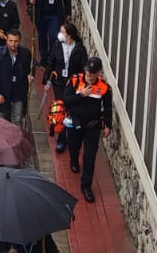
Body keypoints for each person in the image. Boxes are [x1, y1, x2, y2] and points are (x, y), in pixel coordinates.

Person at [62, 57, 114, 203]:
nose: (88, 75)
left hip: (93, 125)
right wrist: (81, 95)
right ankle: (73, 159)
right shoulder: (74, 81)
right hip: (75, 122)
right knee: (74, 145)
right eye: (87, 72)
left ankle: (86, 186)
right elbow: (66, 100)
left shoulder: (104, 88)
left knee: (90, 156)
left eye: (92, 73)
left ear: (98, 73)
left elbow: (108, 107)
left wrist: (108, 125)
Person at [42, 22, 88, 153]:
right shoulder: (57, 45)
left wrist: (78, 81)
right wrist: (46, 81)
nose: (60, 35)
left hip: (72, 84)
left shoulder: (79, 49)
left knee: (71, 110)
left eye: (63, 32)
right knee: (62, 109)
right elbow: (51, 62)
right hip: (59, 83)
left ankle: (71, 138)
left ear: (70, 35)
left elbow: (83, 68)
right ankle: (61, 139)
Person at [0, 30, 31, 123]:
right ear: (6, 40)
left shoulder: (25, 54)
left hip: (18, 92)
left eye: (16, 41)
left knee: (17, 117)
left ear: (19, 41)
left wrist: (29, 76)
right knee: (6, 118)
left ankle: (16, 136)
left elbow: (28, 69)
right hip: (4, 91)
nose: (13, 44)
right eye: (11, 41)